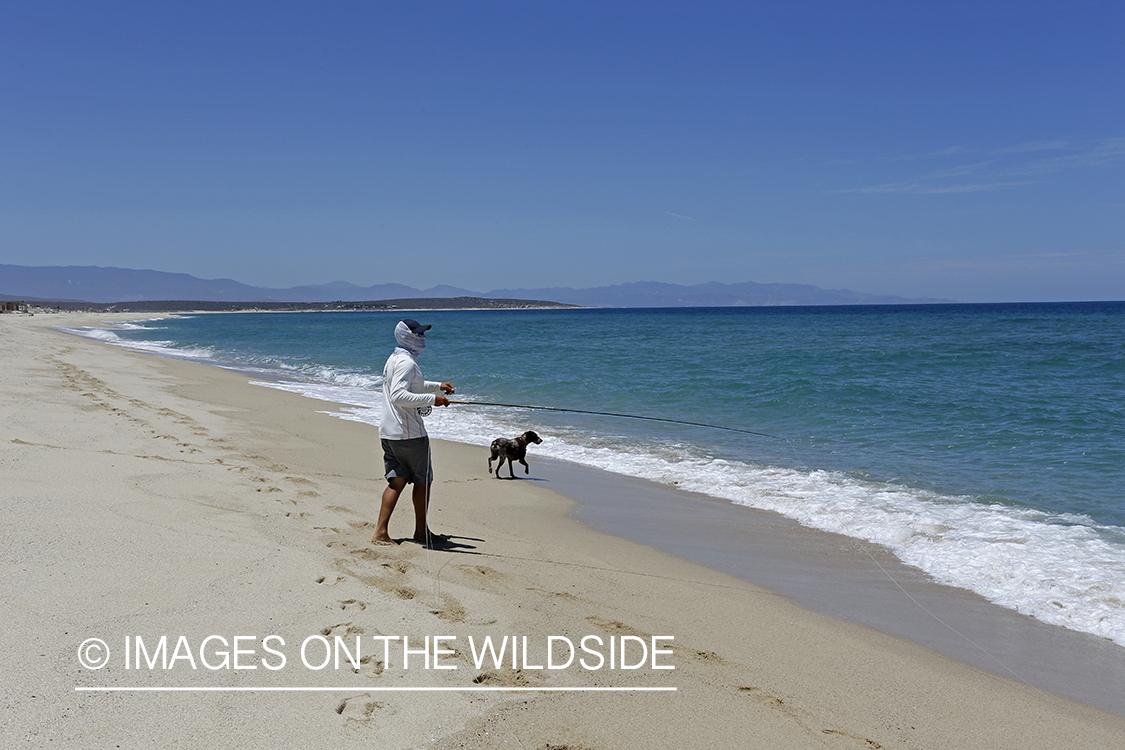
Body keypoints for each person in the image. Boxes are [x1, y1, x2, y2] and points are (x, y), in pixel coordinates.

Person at [372, 319, 455, 546]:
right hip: (409, 434)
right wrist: (433, 399)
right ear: (406, 336)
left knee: (396, 482)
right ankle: (421, 533)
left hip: (389, 433)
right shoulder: (407, 362)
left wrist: (438, 385)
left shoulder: (394, 359)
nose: (422, 338)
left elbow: (411, 386)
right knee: (423, 481)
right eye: (418, 334)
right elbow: (398, 395)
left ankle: (380, 533)